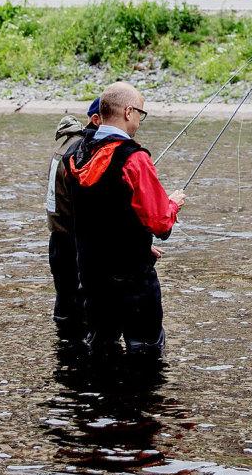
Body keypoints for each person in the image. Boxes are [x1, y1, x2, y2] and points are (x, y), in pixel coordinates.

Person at [63, 83, 185, 362]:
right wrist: (174, 203)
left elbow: (90, 218)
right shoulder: (135, 159)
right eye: (140, 113)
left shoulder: (74, 155)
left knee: (101, 351)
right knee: (146, 354)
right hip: (132, 281)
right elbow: (160, 224)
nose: (140, 120)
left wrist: (138, 243)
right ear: (128, 112)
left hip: (92, 277)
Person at [47, 97, 101, 341]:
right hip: (73, 241)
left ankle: (67, 364)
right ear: (96, 120)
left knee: (65, 309)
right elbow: (87, 204)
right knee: (79, 313)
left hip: (58, 240)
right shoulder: (80, 151)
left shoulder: (66, 145)